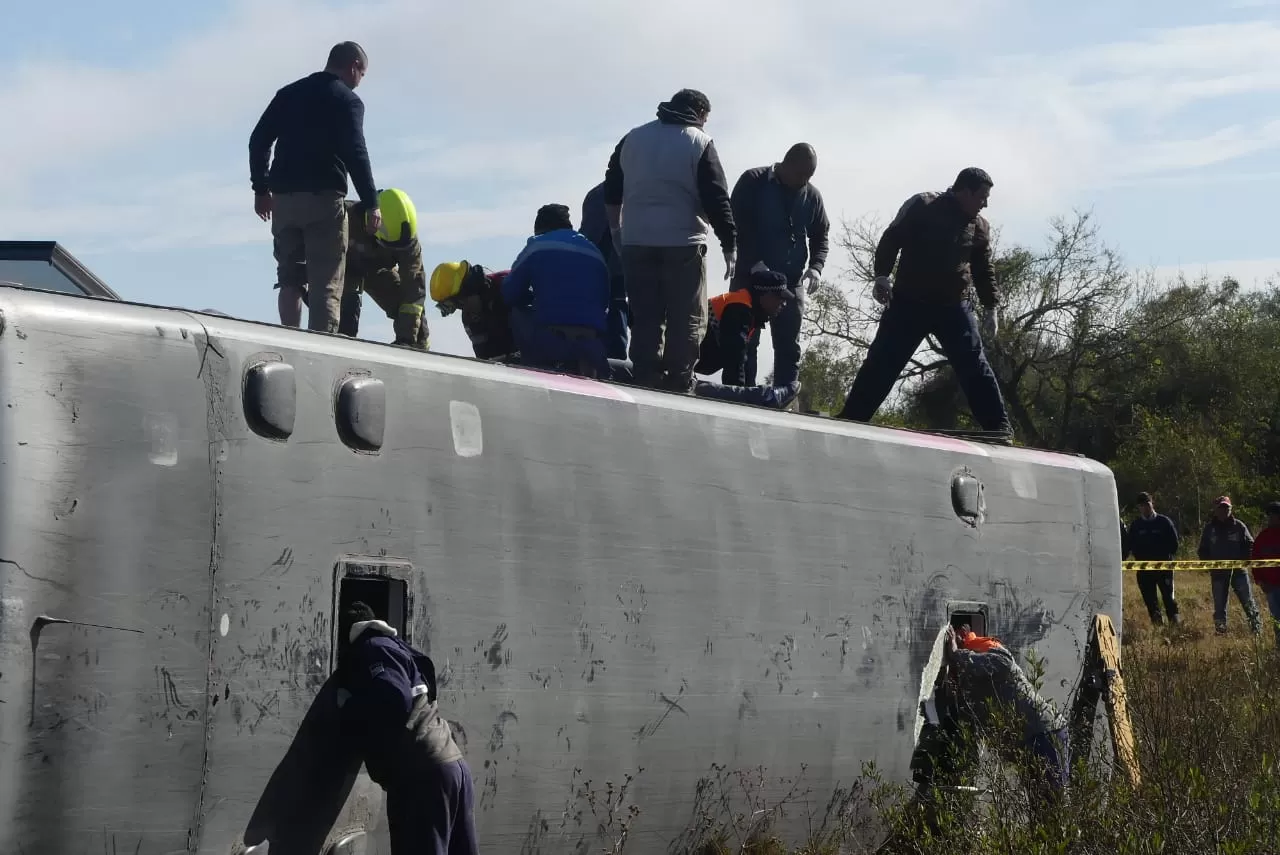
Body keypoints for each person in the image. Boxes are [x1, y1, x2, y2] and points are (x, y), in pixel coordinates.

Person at [836, 168, 1012, 442]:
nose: (985, 204)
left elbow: (983, 269)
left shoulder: (979, 227)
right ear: (964, 190)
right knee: (882, 363)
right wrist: (882, 276)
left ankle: (998, 427)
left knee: (974, 364)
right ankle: (852, 419)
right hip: (909, 302)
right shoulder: (923, 205)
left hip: (953, 307)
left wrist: (991, 306)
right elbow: (891, 238)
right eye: (981, 197)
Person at [603, 88, 737, 393]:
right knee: (687, 318)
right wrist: (729, 243)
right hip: (684, 243)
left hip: (636, 242)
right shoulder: (699, 142)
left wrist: (616, 231)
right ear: (701, 114)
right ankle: (678, 383)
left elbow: (612, 189)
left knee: (646, 317)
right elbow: (717, 198)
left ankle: (646, 379)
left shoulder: (632, 138)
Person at [249, 41, 380, 334]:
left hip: (283, 201)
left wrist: (261, 189)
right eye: (362, 74)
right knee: (326, 285)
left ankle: (290, 338)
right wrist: (371, 202)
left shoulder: (288, 94)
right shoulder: (347, 101)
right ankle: (319, 350)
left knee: (289, 279)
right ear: (353, 67)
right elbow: (356, 154)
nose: (360, 82)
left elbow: (258, 141)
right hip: (324, 202)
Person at [336, 601, 477, 854]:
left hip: (422, 776)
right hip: (450, 765)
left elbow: (394, 698)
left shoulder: (371, 647)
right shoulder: (399, 649)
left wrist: (349, 704)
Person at [729, 144, 830, 388]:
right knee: (742, 342)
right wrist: (753, 261)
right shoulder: (754, 180)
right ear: (787, 164)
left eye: (809, 176)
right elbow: (733, 223)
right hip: (750, 277)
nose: (804, 180)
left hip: (790, 282)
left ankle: (783, 399)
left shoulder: (812, 195)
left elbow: (821, 233)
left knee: (788, 345)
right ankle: (741, 398)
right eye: (801, 174)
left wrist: (816, 266)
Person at [943, 625, 1069, 809]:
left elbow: (979, 663)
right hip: (1033, 737)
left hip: (1046, 734)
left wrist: (956, 653)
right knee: (1040, 803)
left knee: (1053, 801)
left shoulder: (1001, 658)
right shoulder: (987, 682)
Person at [502, 204, 610, 378]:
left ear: (540, 229)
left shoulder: (537, 245)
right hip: (592, 345)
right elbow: (604, 301)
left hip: (550, 342)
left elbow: (509, 292)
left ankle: (530, 369)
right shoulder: (594, 251)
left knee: (516, 311)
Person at [693, 267, 801, 409]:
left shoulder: (747, 308)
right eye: (779, 298)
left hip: (687, 364)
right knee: (701, 389)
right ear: (765, 295)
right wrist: (739, 401)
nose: (783, 304)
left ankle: (760, 395)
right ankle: (766, 396)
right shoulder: (739, 309)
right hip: (680, 366)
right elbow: (735, 359)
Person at [335, 189, 429, 349]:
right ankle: (340, 349)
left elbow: (413, 289)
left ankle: (419, 350)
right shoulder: (344, 217)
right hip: (344, 268)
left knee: (410, 310)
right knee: (345, 317)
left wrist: (406, 341)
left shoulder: (408, 243)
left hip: (378, 270)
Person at [580, 182, 631, 361]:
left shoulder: (596, 194)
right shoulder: (639, 189)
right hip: (617, 268)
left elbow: (589, 234)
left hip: (603, 268)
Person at [1198, 496, 1262, 636]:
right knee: (1219, 605)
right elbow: (1202, 549)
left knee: (1248, 601)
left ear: (1231, 509)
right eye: (1221, 508)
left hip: (1239, 571)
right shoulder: (1209, 529)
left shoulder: (1239, 526)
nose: (1224, 510)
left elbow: (1250, 544)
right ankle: (1221, 632)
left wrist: (1243, 560)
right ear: (1216, 510)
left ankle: (1256, 629)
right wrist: (1210, 565)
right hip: (1218, 574)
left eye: (1226, 507)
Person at [430, 261, 518, 361]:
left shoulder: (506, 286)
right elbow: (484, 355)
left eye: (456, 304)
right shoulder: (470, 317)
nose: (463, 310)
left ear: (468, 292)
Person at [1126, 491, 1181, 625]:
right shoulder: (1136, 526)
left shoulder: (1164, 522)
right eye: (1142, 505)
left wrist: (1164, 557)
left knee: (1168, 597)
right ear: (1139, 507)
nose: (1145, 507)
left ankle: (1175, 624)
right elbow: (1130, 545)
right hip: (1144, 570)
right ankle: (1158, 625)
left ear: (1152, 504)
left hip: (1164, 568)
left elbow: (1174, 544)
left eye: (1147, 504)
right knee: (1150, 600)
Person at [1250, 501, 1280, 646]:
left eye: (1274, 515)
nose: (1271, 518)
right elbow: (1255, 561)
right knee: (1276, 619)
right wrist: (1260, 581)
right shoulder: (1262, 537)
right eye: (1270, 516)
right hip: (1271, 586)